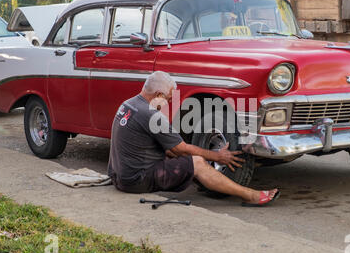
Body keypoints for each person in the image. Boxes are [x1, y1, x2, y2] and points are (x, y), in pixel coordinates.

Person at [108, 71, 280, 206]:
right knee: (196, 162)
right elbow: (180, 148)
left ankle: (209, 179)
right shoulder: (151, 114)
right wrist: (216, 156)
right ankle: (250, 196)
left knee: (181, 156)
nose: (168, 103)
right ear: (158, 94)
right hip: (135, 181)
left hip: (119, 176)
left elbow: (171, 149)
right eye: (168, 98)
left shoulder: (129, 104)